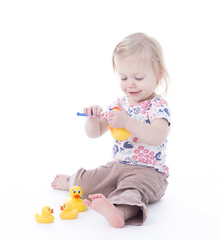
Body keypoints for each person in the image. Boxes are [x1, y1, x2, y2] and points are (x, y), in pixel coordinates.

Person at [51, 32, 171, 228]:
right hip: (118, 166)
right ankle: (74, 180)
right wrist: (93, 119)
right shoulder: (119, 104)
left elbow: (158, 136)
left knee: (131, 191)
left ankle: (119, 212)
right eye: (123, 77)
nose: (130, 84)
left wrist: (128, 122)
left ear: (157, 76)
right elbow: (94, 133)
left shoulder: (158, 106)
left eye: (138, 77)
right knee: (88, 181)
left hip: (149, 172)